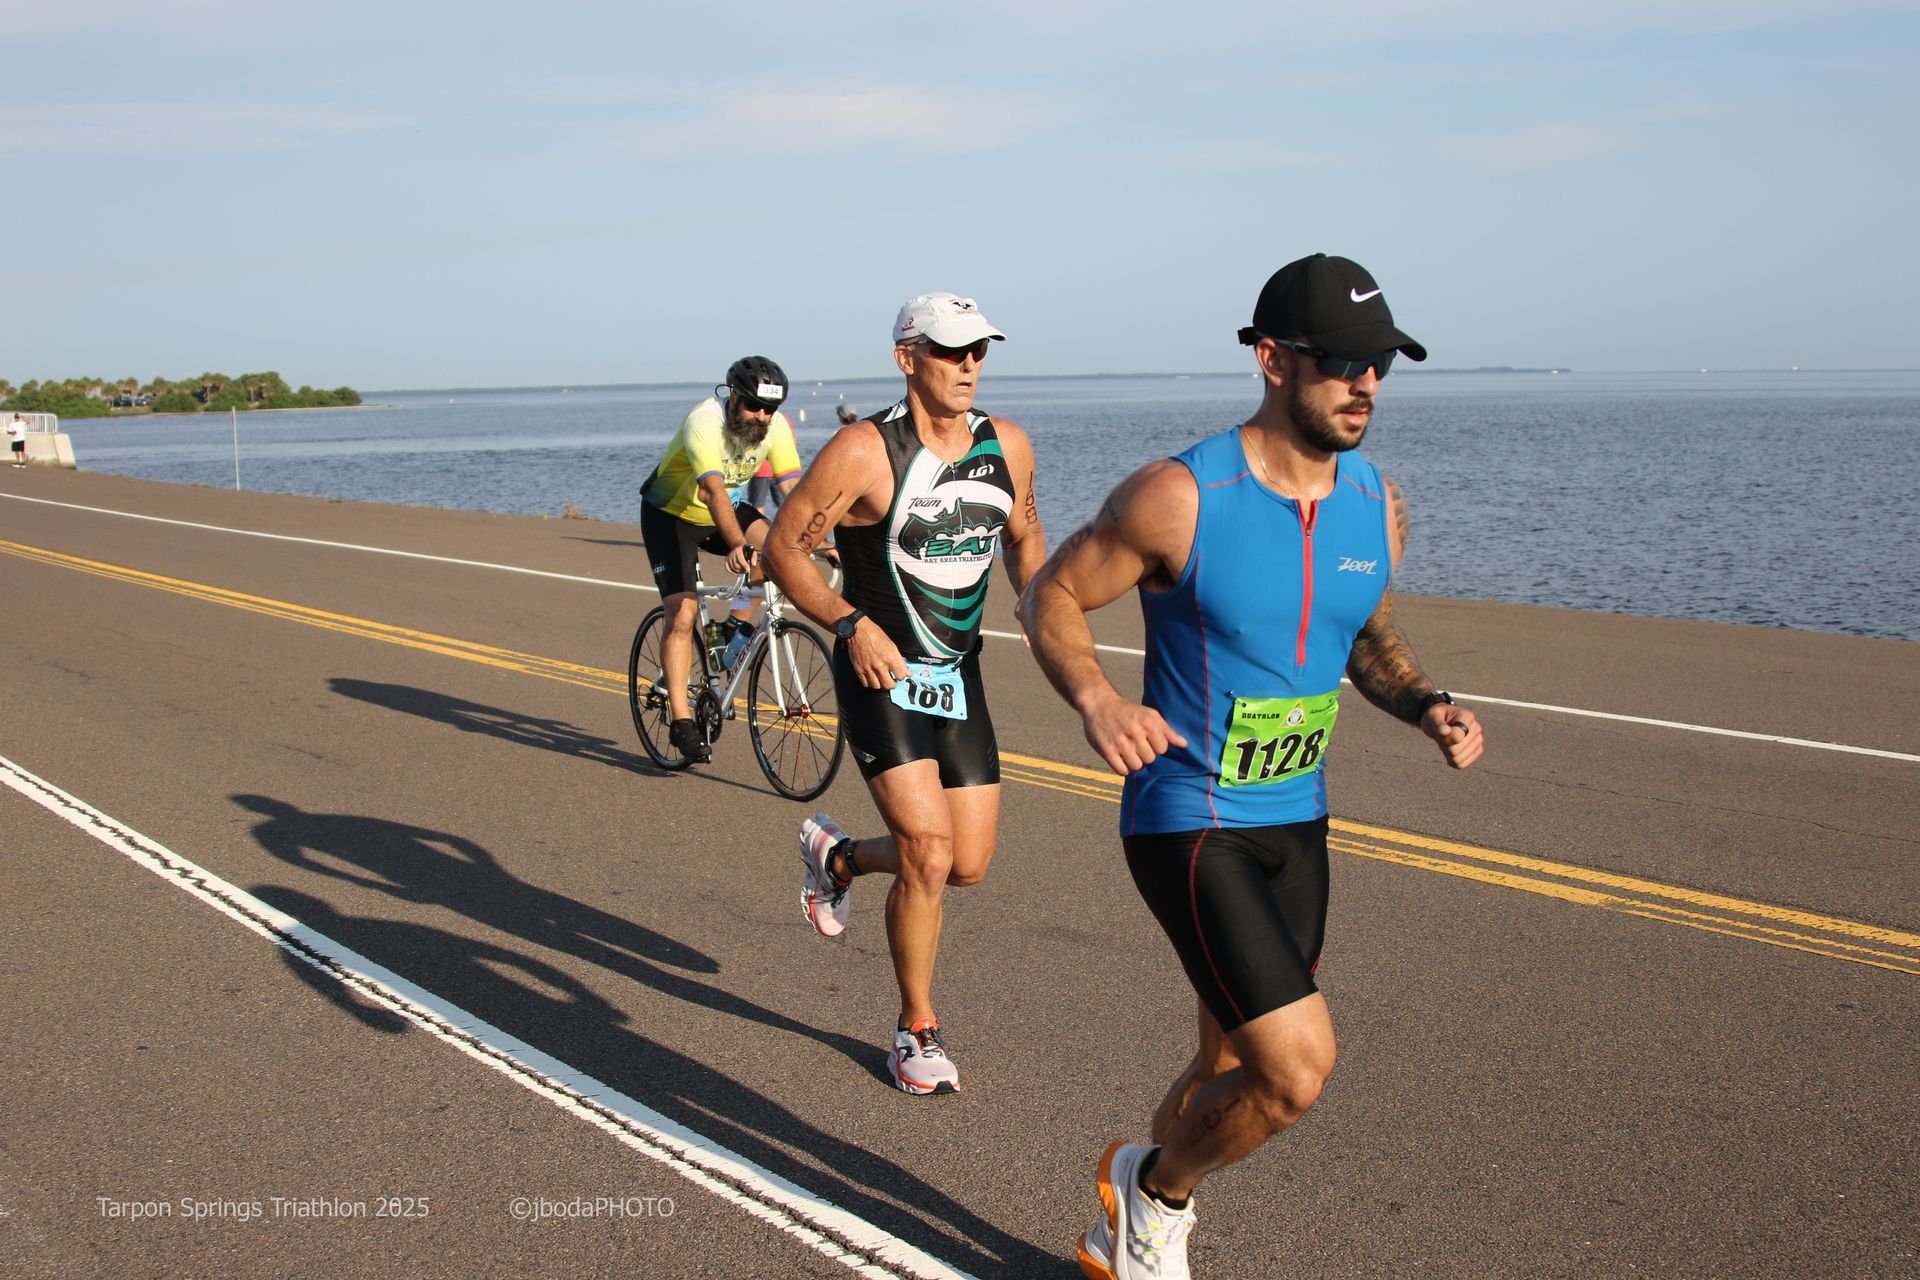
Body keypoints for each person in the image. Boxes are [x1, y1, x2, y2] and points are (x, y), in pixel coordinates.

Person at [1016, 254, 1486, 1278]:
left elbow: (1367, 636)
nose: (1365, 383)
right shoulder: (1181, 496)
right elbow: (1049, 593)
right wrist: (1098, 698)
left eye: (1381, 364)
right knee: (1296, 1069)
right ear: (1274, 360)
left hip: (1297, 820)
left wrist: (1427, 704)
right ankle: (1155, 1195)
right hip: (1191, 815)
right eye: (1343, 362)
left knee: (1229, 1060)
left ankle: (1124, 1223)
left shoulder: (1377, 502)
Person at [764, 293, 1045, 1095]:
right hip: (879, 672)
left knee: (967, 864)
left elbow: (1025, 536)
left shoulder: (1007, 445)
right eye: (951, 350)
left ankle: (840, 858)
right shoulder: (864, 450)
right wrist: (849, 622)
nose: (969, 365)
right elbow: (785, 548)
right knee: (926, 851)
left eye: (978, 350)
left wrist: (1040, 605)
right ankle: (914, 1030)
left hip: (959, 674)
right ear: (907, 357)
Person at [640, 356, 805, 763]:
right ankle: (681, 720)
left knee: (782, 555)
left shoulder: (776, 427)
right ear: (733, 397)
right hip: (673, 516)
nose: (761, 416)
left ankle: (731, 629)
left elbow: (794, 489)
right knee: (682, 614)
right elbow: (712, 490)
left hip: (727, 511)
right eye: (753, 406)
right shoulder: (704, 422)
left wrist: (824, 540)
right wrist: (736, 544)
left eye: (769, 409)